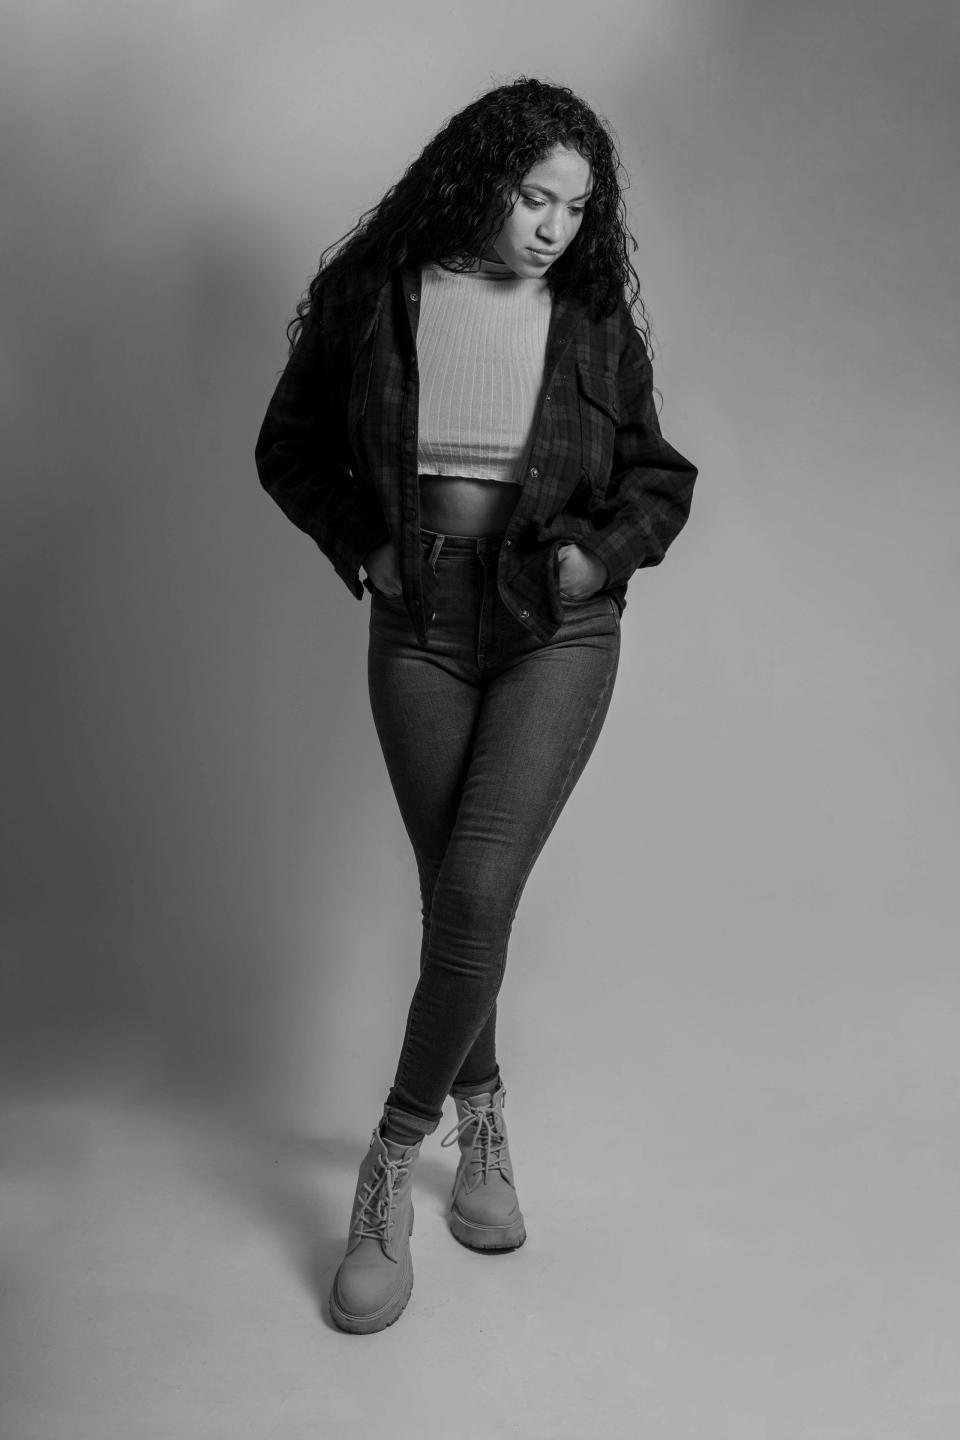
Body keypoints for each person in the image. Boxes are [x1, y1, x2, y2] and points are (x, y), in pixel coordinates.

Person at [255, 77, 697, 1334]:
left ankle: (391, 1157)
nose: (555, 228)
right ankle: (486, 1111)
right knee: (456, 890)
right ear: (477, 178)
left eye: (576, 206)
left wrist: (596, 560)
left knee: (479, 885)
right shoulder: (376, 296)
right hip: (422, 623)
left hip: (555, 622)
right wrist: (366, 546)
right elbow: (287, 446)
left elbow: (660, 477)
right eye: (533, 196)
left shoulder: (591, 316)